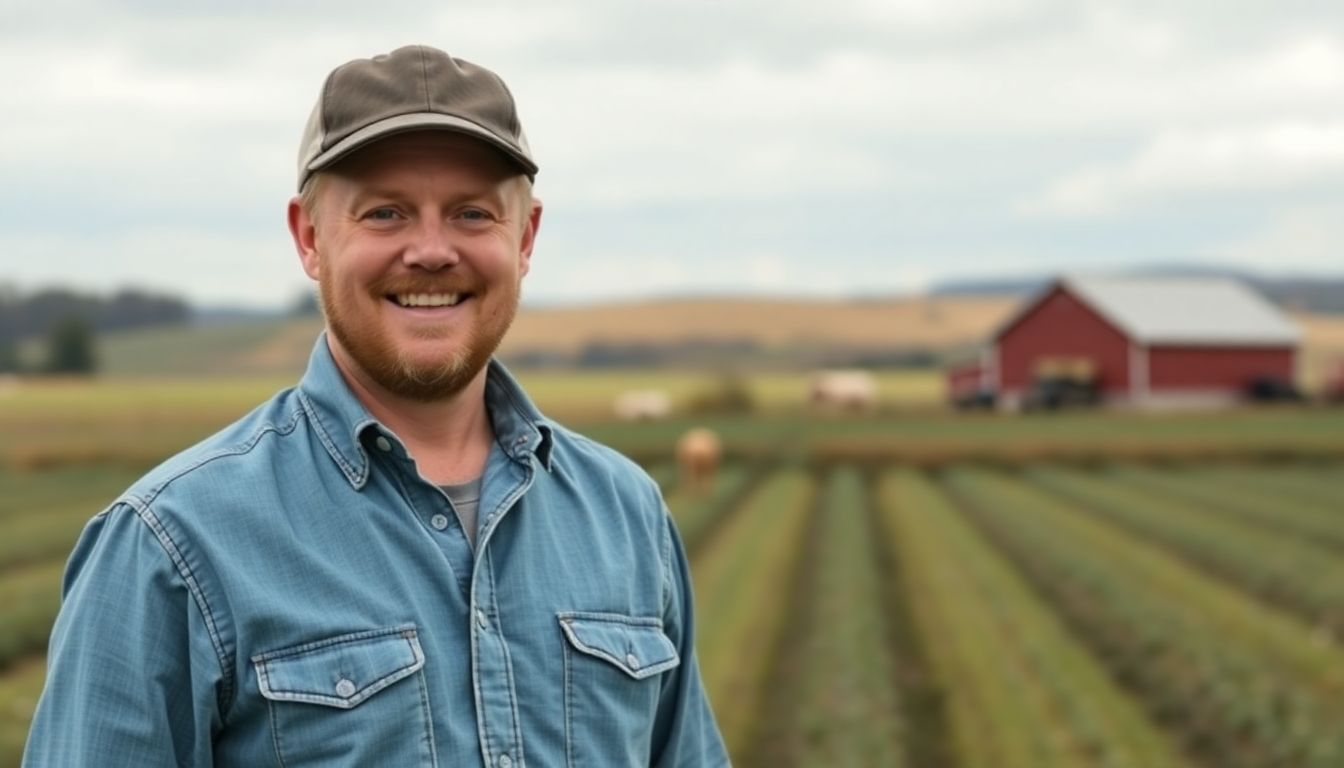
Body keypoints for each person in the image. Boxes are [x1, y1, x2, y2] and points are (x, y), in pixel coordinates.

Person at [23, 44, 728, 767]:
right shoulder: (170, 546)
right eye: (385, 212)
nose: (430, 250)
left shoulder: (628, 515)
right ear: (309, 238)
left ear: (526, 238)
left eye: (472, 213)